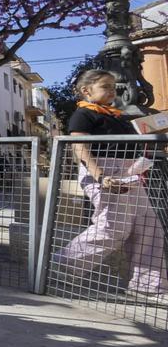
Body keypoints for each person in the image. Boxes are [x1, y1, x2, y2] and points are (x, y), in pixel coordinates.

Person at [57, 69, 165, 297]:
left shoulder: (117, 116)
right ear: (86, 90)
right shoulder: (84, 114)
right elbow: (80, 148)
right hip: (105, 173)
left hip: (129, 173)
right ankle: (63, 265)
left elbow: (146, 129)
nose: (112, 91)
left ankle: (148, 285)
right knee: (113, 226)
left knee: (148, 224)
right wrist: (100, 176)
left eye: (113, 87)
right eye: (105, 86)